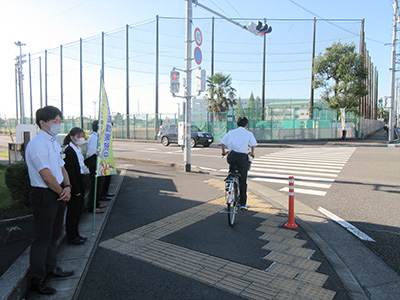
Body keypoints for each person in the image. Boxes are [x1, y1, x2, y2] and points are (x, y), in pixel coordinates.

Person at [25, 106, 74, 295]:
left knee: (54, 235)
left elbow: (61, 168)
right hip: (45, 195)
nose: (58, 124)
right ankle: (38, 280)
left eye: (59, 121)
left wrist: (68, 187)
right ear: (42, 123)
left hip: (59, 192)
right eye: (55, 121)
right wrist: (63, 191)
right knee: (42, 238)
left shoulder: (53, 142)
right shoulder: (38, 144)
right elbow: (46, 176)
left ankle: (51, 268)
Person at [221, 117, 257, 211]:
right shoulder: (248, 133)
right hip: (242, 158)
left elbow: (222, 143)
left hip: (232, 156)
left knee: (232, 168)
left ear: (237, 124)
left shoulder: (231, 132)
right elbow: (253, 145)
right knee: (243, 181)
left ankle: (229, 182)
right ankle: (243, 204)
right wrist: (252, 153)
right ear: (246, 125)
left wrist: (223, 152)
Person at [62, 127, 88, 245]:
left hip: (80, 182)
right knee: (73, 213)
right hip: (75, 186)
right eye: (79, 137)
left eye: (83, 136)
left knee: (78, 212)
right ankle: (72, 237)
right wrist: (75, 189)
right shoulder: (69, 151)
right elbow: (70, 172)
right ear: (72, 137)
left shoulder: (77, 149)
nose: (82, 139)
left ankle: (76, 234)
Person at [85, 120, 107, 213]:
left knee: (98, 185)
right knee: (95, 185)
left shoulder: (97, 137)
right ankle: (92, 207)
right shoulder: (95, 138)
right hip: (94, 164)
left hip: (98, 164)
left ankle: (97, 203)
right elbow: (91, 154)